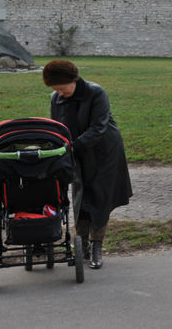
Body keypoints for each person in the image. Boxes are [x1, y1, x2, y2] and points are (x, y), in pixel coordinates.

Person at [42, 59, 132, 269]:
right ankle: (81, 246)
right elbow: (56, 129)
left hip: (104, 151)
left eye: (63, 89)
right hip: (77, 151)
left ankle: (97, 246)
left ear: (73, 80)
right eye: (56, 90)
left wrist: (70, 147)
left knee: (100, 198)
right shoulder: (56, 98)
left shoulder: (96, 93)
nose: (60, 94)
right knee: (80, 197)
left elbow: (98, 128)